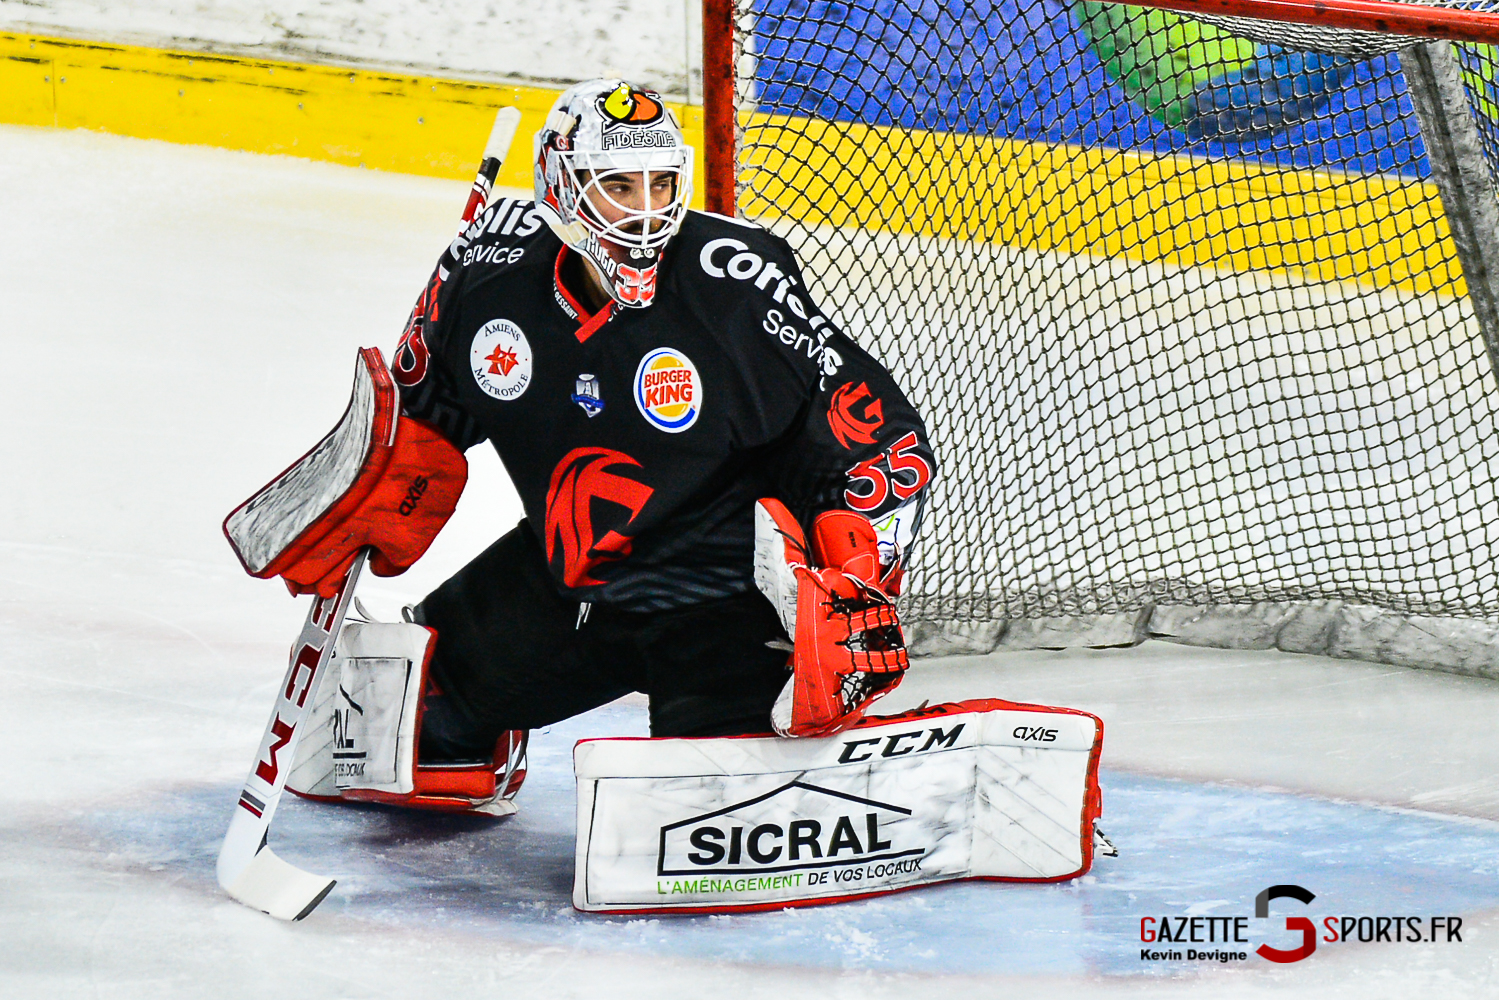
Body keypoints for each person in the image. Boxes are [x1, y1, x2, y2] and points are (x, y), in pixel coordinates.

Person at [262, 79, 935, 813]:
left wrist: (855, 572)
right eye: (617, 186)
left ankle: (762, 731)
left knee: (715, 813)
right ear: (559, 184)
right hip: (573, 576)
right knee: (408, 728)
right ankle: (489, 722)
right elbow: (421, 418)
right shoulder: (485, 279)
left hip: (721, 598)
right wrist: (369, 488)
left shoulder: (735, 286)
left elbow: (880, 440)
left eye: (660, 184)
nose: (646, 210)